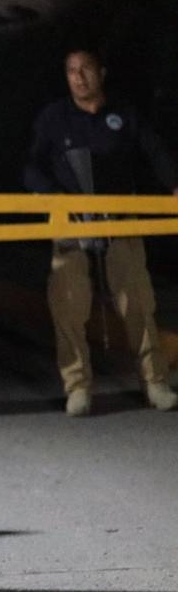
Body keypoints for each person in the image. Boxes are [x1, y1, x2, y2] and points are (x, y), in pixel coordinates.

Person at [24, 47, 178, 416]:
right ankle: (77, 386)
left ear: (101, 72)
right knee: (68, 302)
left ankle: (155, 382)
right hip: (71, 221)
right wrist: (54, 198)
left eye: (86, 69)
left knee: (137, 300)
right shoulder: (54, 117)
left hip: (120, 217)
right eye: (71, 71)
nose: (79, 77)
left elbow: (154, 150)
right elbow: (31, 167)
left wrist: (175, 185)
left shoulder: (123, 114)